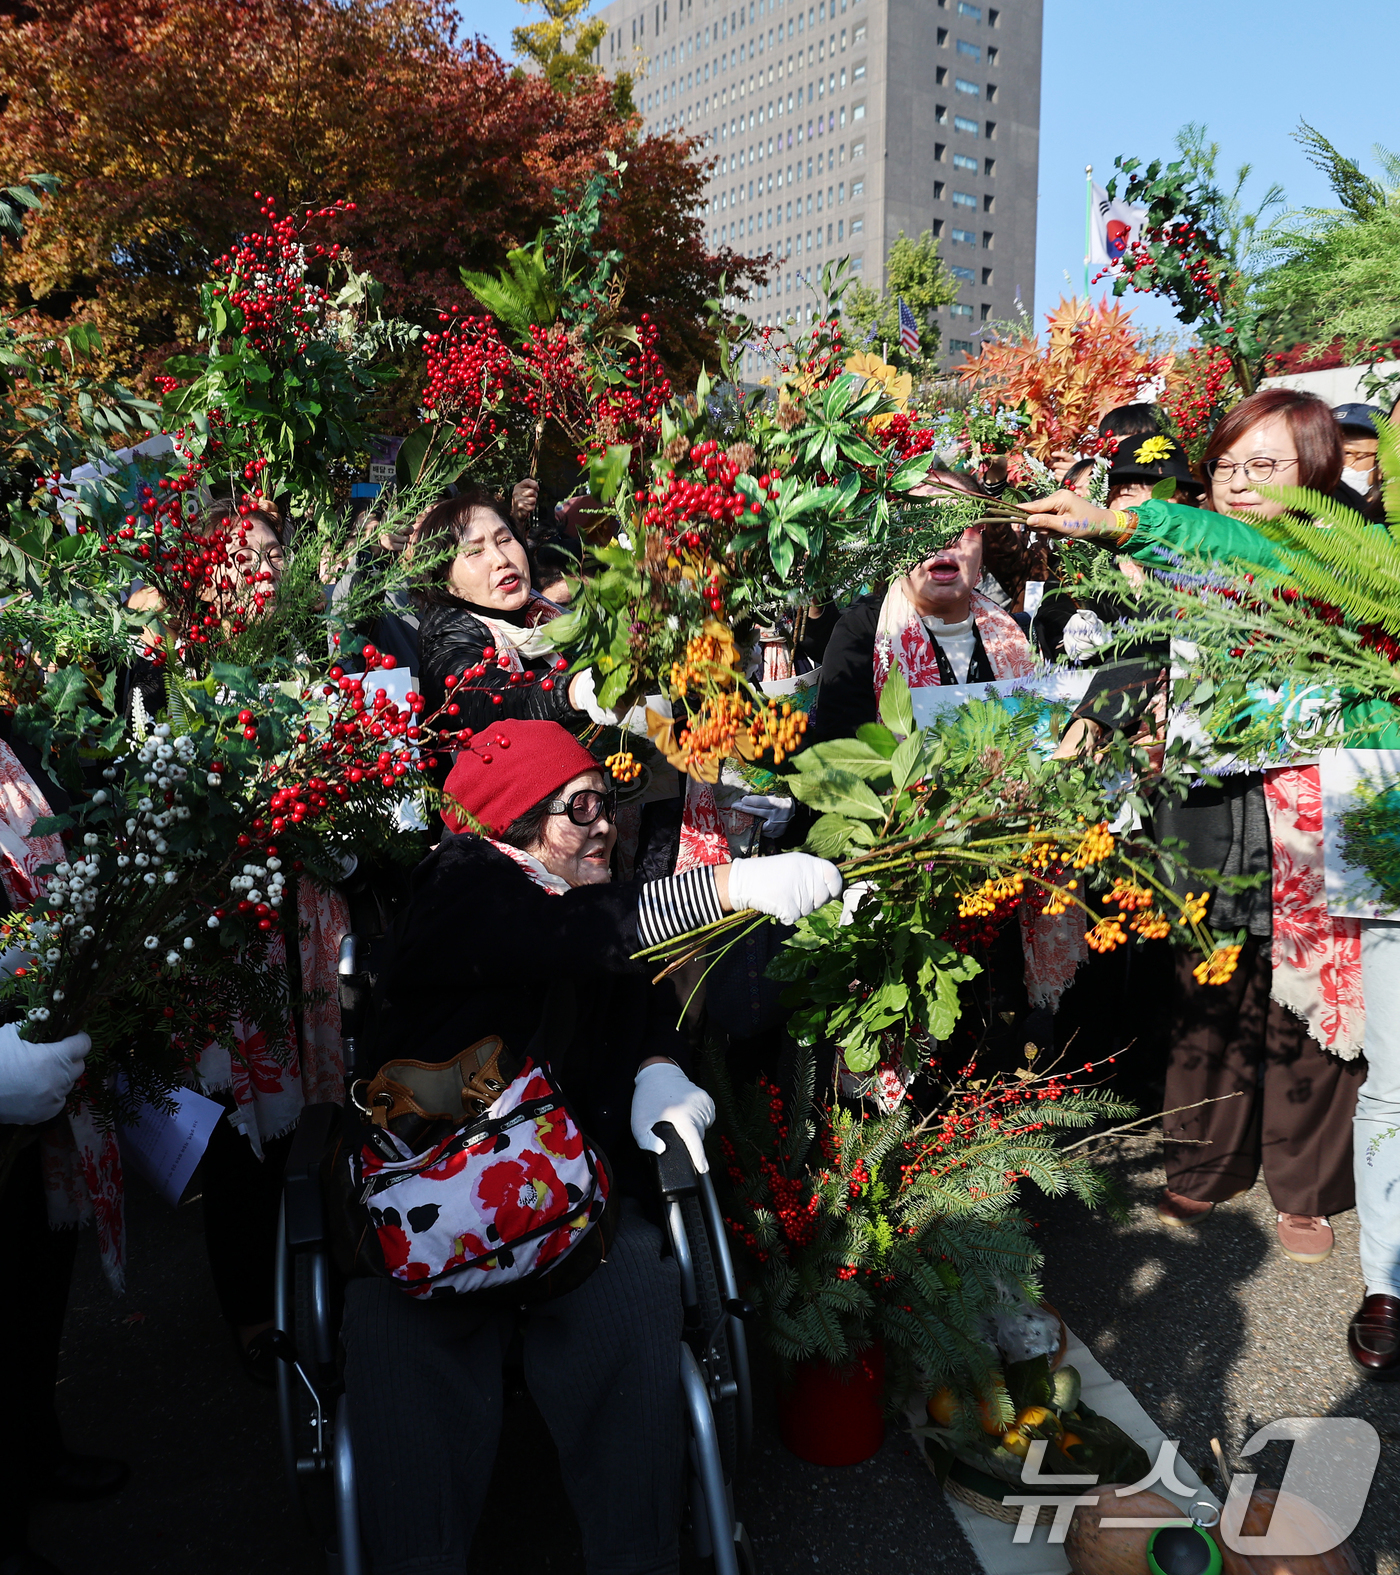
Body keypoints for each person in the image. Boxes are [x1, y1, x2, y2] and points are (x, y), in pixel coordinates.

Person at [343, 719, 842, 1573]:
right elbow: (577, 935)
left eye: (607, 803)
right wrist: (730, 885)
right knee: (397, 1347)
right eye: (579, 808)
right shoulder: (463, 883)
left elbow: (642, 990)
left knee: (637, 1291)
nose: (605, 823)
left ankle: (638, 1554)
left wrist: (658, 1067)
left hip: (578, 1210)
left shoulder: (586, 897)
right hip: (439, 1204)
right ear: (516, 821)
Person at [1022, 387, 1384, 1268]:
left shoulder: (1351, 558)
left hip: (1312, 806)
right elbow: (1139, 650)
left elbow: (1250, 550)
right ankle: (1204, 1157)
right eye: (1226, 466)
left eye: (1263, 465)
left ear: (1316, 471)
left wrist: (1123, 523)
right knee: (1208, 984)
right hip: (1208, 803)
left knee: (1307, 993)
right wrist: (1092, 723)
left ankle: (1307, 1182)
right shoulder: (1187, 559)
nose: (1238, 483)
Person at [812, 508, 1035, 746]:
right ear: (896, 549)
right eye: (923, 523)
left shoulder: (1018, 636)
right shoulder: (862, 634)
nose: (946, 539)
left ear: (982, 548)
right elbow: (842, 757)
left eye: (961, 524)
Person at [414, 488, 607, 743]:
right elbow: (483, 696)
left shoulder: (547, 614)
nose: (500, 559)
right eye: (475, 551)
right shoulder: (446, 637)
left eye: (505, 540)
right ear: (444, 579)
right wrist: (573, 691)